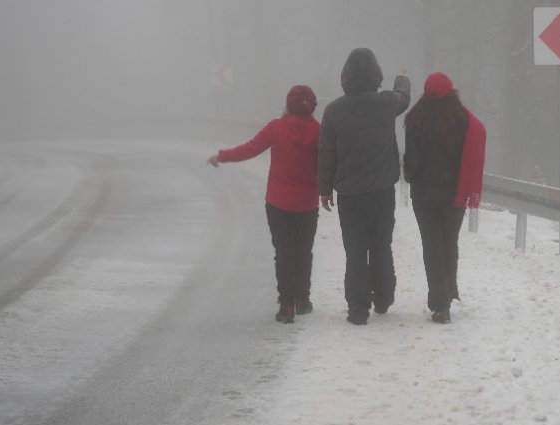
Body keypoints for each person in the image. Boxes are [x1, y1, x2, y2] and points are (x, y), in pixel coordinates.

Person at [207, 85, 320, 324]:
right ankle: (302, 299)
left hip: (278, 203)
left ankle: (286, 305)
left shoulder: (276, 128)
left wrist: (223, 156)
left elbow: (250, 149)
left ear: (288, 104)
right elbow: (328, 163)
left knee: (284, 252)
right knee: (303, 251)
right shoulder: (319, 131)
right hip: (307, 203)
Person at [318, 48, 411, 325]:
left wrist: (324, 189)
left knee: (355, 249)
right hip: (382, 191)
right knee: (382, 244)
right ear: (376, 76)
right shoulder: (385, 103)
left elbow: (326, 154)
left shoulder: (333, 111)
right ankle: (383, 297)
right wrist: (402, 78)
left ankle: (357, 309)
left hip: (349, 194)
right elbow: (404, 97)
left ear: (345, 78)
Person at [403, 71, 486, 324]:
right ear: (452, 92)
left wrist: (409, 174)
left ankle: (439, 304)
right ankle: (448, 293)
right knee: (449, 242)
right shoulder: (463, 120)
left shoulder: (415, 119)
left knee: (432, 246)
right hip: (454, 194)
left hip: (424, 194)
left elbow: (412, 161)